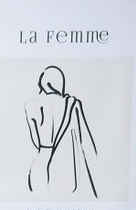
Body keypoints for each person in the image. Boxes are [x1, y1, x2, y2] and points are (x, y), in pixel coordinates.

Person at [24, 65, 98, 197]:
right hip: (62, 169)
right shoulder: (72, 103)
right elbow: (84, 141)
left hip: (39, 163)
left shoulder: (30, 106)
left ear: (44, 83)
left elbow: (36, 142)